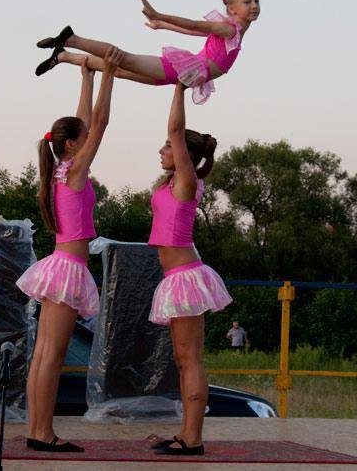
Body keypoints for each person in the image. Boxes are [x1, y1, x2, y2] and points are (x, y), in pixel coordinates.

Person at [15, 47, 123, 452]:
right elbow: (100, 122)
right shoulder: (74, 171)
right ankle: (42, 433)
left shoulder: (62, 168)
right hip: (67, 269)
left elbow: (85, 123)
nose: (88, 139)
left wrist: (87, 78)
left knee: (45, 354)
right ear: (74, 146)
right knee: (52, 355)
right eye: (84, 139)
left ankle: (37, 431)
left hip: (61, 264)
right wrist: (109, 74)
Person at [145, 84, 232, 455]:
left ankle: (193, 438)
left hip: (185, 279)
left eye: (168, 146)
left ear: (185, 155)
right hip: (175, 278)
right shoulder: (171, 183)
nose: (162, 150)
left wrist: (179, 87)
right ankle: (186, 432)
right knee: (182, 360)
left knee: (190, 359)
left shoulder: (186, 180)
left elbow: (177, 130)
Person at [34, 0, 260, 104]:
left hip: (183, 73)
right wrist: (159, 15)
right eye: (247, 2)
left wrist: (162, 25)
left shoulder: (234, 31)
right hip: (182, 69)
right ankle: (72, 39)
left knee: (118, 70)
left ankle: (62, 56)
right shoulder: (229, 29)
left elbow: (192, 32)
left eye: (256, 1)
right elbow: (194, 24)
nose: (254, 6)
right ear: (232, 9)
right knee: (123, 59)